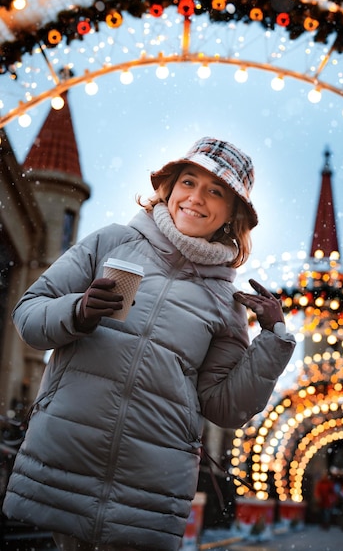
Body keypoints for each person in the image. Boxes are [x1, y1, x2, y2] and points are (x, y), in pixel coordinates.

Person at [2, 137, 296, 551]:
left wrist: (273, 339)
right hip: (65, 462)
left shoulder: (225, 303)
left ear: (233, 214)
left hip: (148, 493)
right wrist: (78, 313)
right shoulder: (111, 243)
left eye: (216, 191)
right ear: (170, 187)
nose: (196, 198)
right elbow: (29, 315)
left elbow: (224, 407)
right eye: (189, 182)